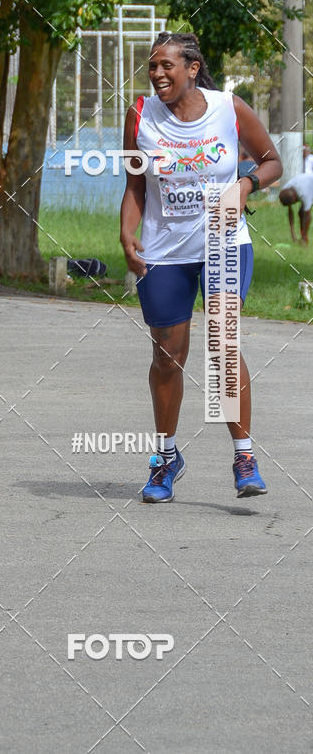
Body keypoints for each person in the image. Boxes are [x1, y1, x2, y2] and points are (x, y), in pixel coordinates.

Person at [120, 32, 283, 503]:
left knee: (224, 343)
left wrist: (247, 185)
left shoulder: (227, 108)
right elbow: (135, 186)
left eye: (167, 65)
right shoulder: (140, 116)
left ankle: (244, 455)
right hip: (165, 250)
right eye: (152, 66)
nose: (157, 74)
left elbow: (272, 162)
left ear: (192, 68)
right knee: (167, 357)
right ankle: (166, 458)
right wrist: (126, 235)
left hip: (225, 240)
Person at [279, 172, 313, 245]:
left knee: (303, 213)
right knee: (301, 213)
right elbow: (290, 212)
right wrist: (293, 234)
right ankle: (302, 235)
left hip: (310, 185)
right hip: (306, 182)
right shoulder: (286, 189)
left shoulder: (305, 194)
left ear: (295, 198)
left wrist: (305, 237)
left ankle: (304, 238)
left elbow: (308, 216)